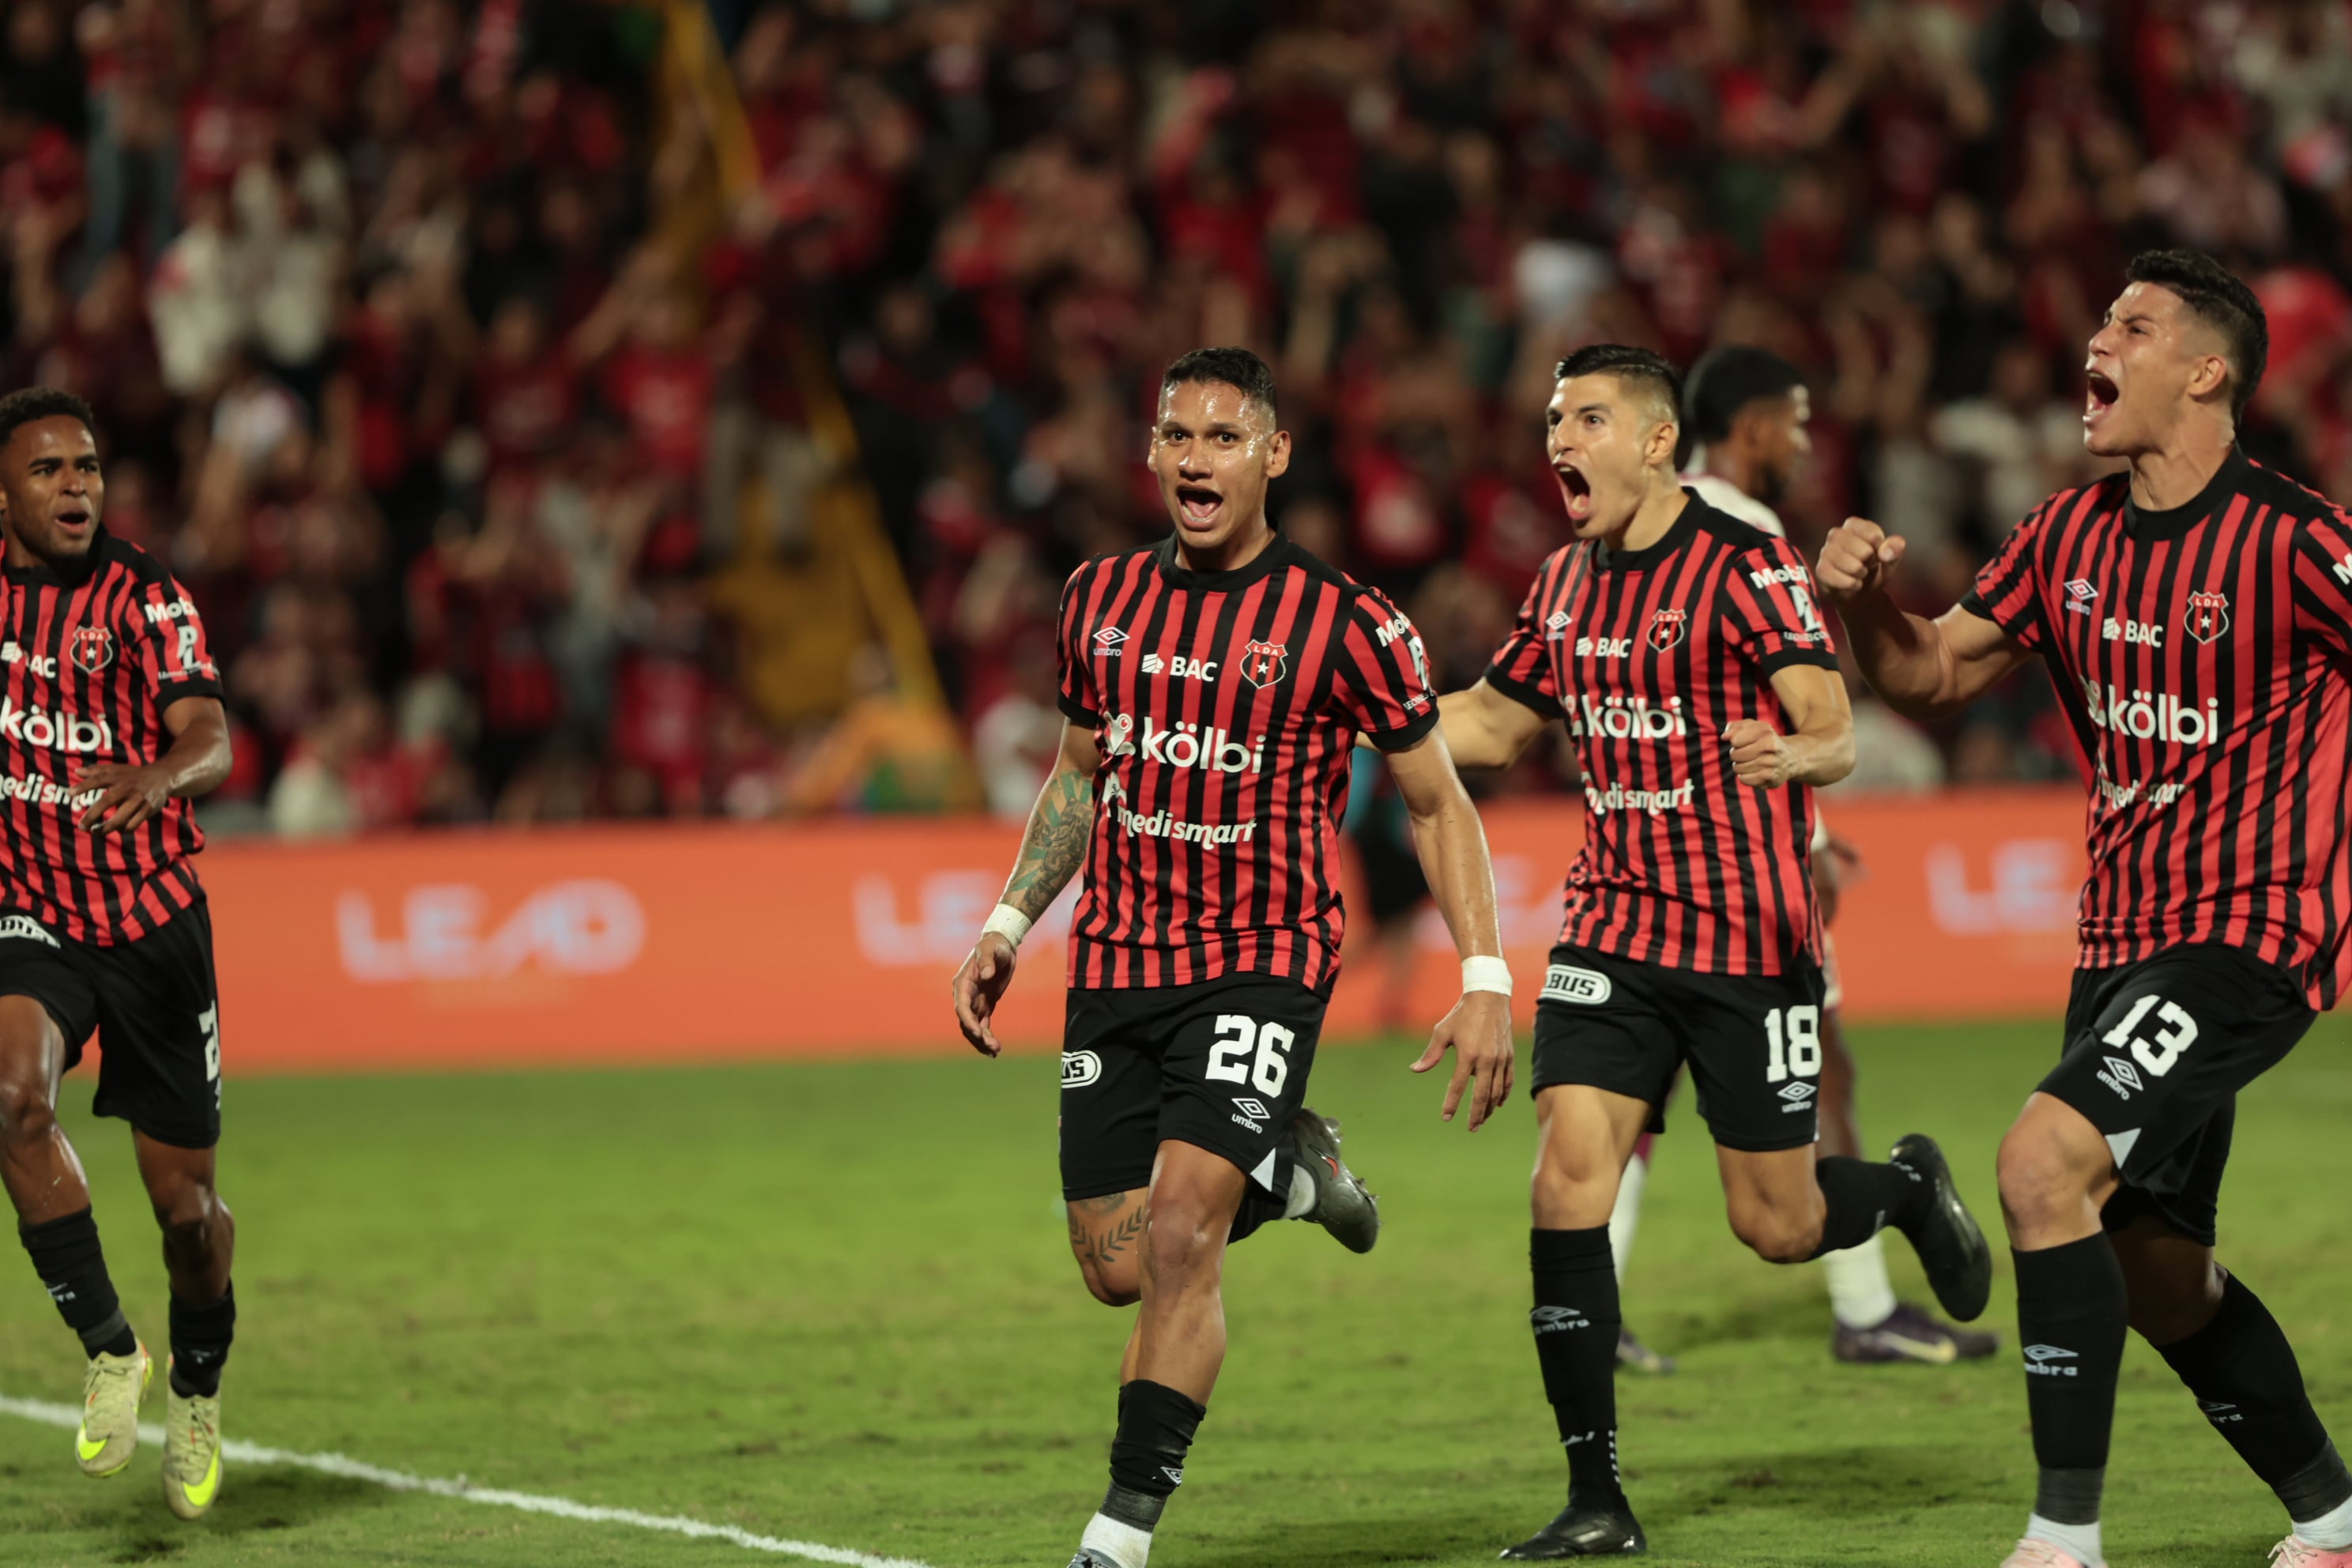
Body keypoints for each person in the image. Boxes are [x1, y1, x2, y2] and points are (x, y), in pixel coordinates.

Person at [1817, 248, 2352, 1568]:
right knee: (2160, 1272)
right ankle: (2337, 1519)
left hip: (2250, 933)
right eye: (2103, 319)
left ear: (2207, 369)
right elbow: (1935, 674)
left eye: (2134, 325)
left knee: (2039, 1162)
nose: (2097, 343)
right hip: (2117, 945)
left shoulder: (2295, 542)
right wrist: (1863, 605)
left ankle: (2062, 1545)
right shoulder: (2067, 535)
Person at [948, 348, 1516, 1568]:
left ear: (1274, 456)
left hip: (1259, 962)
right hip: (1117, 966)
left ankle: (1116, 1537)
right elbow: (1077, 781)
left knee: (1181, 1240)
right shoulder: (1099, 599)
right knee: (1113, 1262)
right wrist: (1006, 926)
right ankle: (1295, 1175)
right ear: (1152, 454)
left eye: (1223, 437)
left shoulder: (1349, 622)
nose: (1196, 460)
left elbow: (1436, 804)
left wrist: (1483, 976)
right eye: (1177, 436)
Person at [1435, 344, 1993, 1559]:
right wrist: (1363, 718)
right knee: (1565, 1180)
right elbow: (1490, 721)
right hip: (1610, 931)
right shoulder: (1564, 582)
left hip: (1747, 940)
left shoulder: (1746, 566)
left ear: (1652, 439)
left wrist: (1797, 760)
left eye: (1584, 418)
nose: (1558, 442)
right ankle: (1597, 1500)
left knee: (1779, 1226)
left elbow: (1833, 724)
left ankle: (1904, 1189)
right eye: (1550, 420)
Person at [1596, 345, 1999, 1371]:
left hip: (1642, 872)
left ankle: (1590, 1317)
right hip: (1742, 879)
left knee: (1626, 1105)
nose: (1807, 441)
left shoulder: (1634, 524)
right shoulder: (1742, 531)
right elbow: (1779, 713)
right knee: (1825, 1074)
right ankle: (1865, 1305)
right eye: (1797, 420)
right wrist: (1812, 840)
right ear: (1750, 427)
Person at [0, 387, 236, 1521]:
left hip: (151, 926)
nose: (75, 485)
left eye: (86, 467)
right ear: (6, 493)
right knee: (9, 1099)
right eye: (48, 470)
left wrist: (159, 775)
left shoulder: (146, 598)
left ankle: (195, 1384)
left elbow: (211, 737)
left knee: (187, 1216)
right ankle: (108, 1347)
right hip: (32, 915)